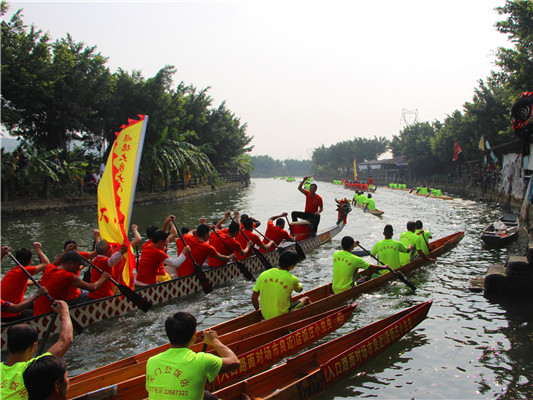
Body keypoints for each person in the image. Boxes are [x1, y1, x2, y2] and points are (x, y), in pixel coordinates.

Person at [145, 312, 239, 400]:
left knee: (206, 395)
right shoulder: (201, 360)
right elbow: (234, 362)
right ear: (194, 334)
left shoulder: (152, 361)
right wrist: (215, 341)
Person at [1, 301, 73, 400]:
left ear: (8, 346)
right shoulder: (33, 369)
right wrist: (64, 311)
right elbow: (65, 340)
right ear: (33, 347)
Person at [33, 251, 111, 315]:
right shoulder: (68, 276)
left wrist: (65, 252)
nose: (78, 268)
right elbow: (92, 288)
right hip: (49, 315)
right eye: (78, 265)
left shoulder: (49, 268)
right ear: (71, 263)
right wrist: (103, 277)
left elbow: (56, 261)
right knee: (91, 295)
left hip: (37, 310)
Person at [251, 250, 310, 320]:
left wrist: (258, 311)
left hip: (265, 316)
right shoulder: (292, 279)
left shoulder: (263, 274)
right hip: (283, 316)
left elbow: (254, 297)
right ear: (292, 266)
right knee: (306, 299)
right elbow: (300, 290)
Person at [87, 226, 141, 300]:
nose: (111, 249)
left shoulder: (96, 260)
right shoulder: (105, 261)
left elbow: (104, 254)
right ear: (106, 251)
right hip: (105, 296)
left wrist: (97, 237)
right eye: (109, 248)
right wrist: (122, 252)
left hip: (98, 293)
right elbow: (112, 260)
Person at [1, 243, 50, 321]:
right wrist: (38, 250)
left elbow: (25, 282)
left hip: (5, 310)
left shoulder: (13, 272)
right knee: (39, 311)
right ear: (30, 260)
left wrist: (38, 281)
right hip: (11, 314)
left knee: (33, 304)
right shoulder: (24, 271)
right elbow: (46, 264)